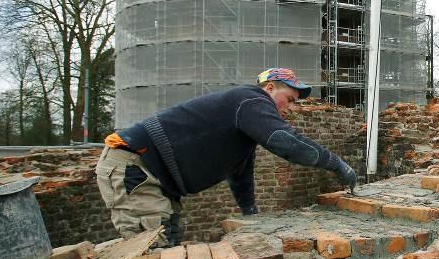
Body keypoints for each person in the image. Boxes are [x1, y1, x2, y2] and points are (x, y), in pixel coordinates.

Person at [96, 67, 357, 244]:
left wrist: (249, 212)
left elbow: (240, 171)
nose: (290, 108)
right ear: (269, 88)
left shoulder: (245, 117)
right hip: (134, 165)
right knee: (153, 251)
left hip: (154, 174)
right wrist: (336, 164)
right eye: (288, 99)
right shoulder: (251, 99)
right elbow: (286, 142)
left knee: (169, 239)